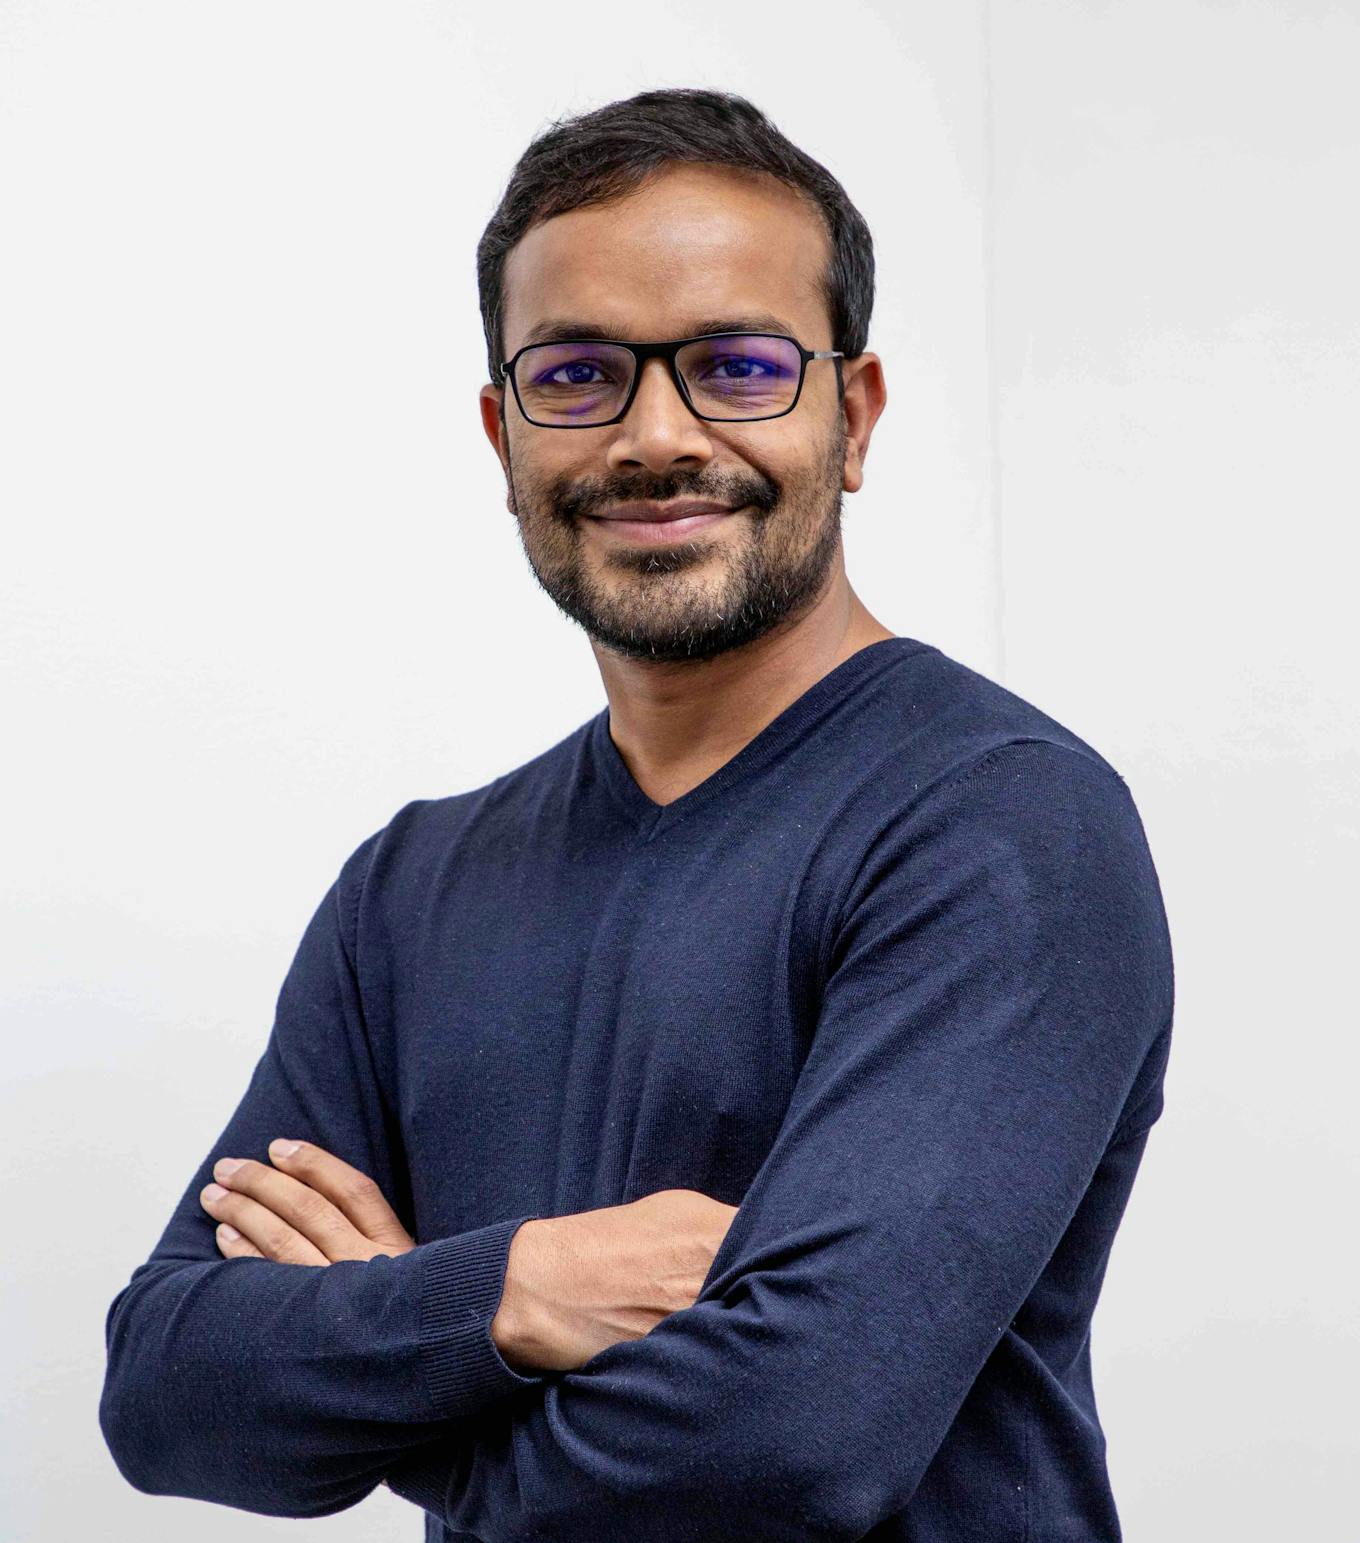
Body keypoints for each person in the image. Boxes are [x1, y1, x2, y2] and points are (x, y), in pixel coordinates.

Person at [100, 87, 1174, 1541]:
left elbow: (793, 1439)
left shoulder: (998, 826)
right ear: (504, 435)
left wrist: (402, 1358)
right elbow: (166, 1392)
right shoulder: (409, 888)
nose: (656, 435)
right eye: (578, 374)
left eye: (738, 366)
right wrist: (517, 1290)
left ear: (853, 416)